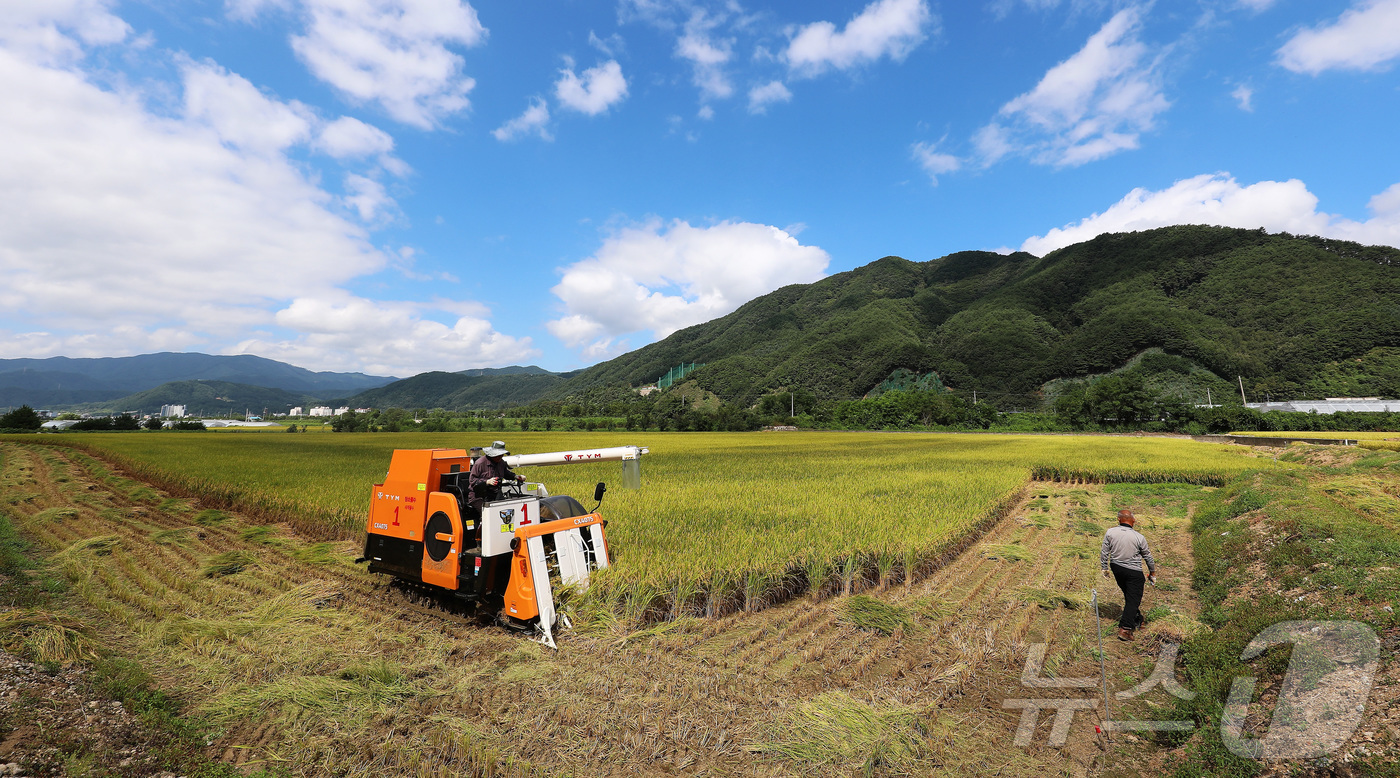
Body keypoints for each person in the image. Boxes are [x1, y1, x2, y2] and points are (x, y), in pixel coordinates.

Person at [1100, 509, 1157, 641]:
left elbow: (1104, 551)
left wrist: (1104, 567)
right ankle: (1125, 629)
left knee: (1130, 595)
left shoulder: (1110, 532)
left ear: (1119, 519)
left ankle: (1138, 620)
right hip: (1134, 571)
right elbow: (1147, 556)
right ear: (1133, 521)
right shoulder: (1138, 537)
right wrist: (1152, 572)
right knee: (1133, 598)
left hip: (1116, 568)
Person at [468, 440, 525, 516]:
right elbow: (472, 481)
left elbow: (506, 473)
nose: (500, 457)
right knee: (488, 515)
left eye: (501, 455)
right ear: (492, 454)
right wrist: (487, 482)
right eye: (498, 455)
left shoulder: (501, 463)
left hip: (495, 494)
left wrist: (516, 477)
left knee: (506, 512)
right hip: (478, 496)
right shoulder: (480, 463)